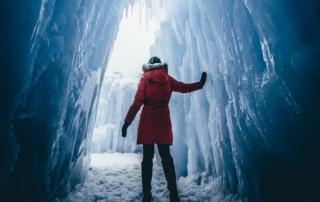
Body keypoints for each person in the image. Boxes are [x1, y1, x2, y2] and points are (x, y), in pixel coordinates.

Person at [121, 56, 207, 202]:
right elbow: (185, 88)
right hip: (162, 121)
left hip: (147, 121)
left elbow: (137, 103)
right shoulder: (168, 79)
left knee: (147, 160)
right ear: (161, 66)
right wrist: (200, 84)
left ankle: (147, 195)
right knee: (166, 158)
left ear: (149, 65)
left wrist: (126, 123)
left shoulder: (145, 79)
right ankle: (174, 194)